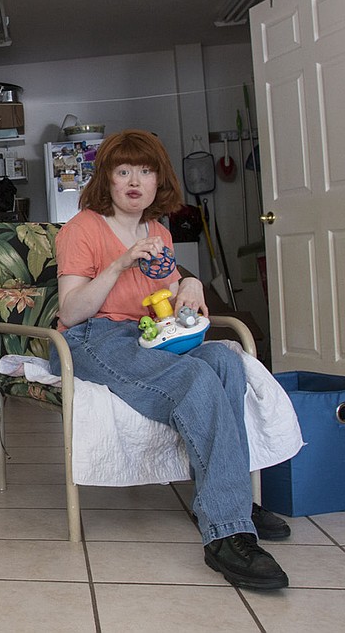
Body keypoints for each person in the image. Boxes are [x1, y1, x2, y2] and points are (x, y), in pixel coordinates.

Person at [53, 129, 291, 590]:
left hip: (147, 333)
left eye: (145, 170)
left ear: (159, 179)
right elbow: (70, 311)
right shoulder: (82, 228)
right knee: (195, 379)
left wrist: (191, 284)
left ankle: (231, 496)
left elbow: (166, 292)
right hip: (92, 337)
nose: (134, 181)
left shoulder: (158, 231)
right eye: (123, 171)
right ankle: (227, 532)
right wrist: (120, 264)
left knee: (225, 362)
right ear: (107, 179)